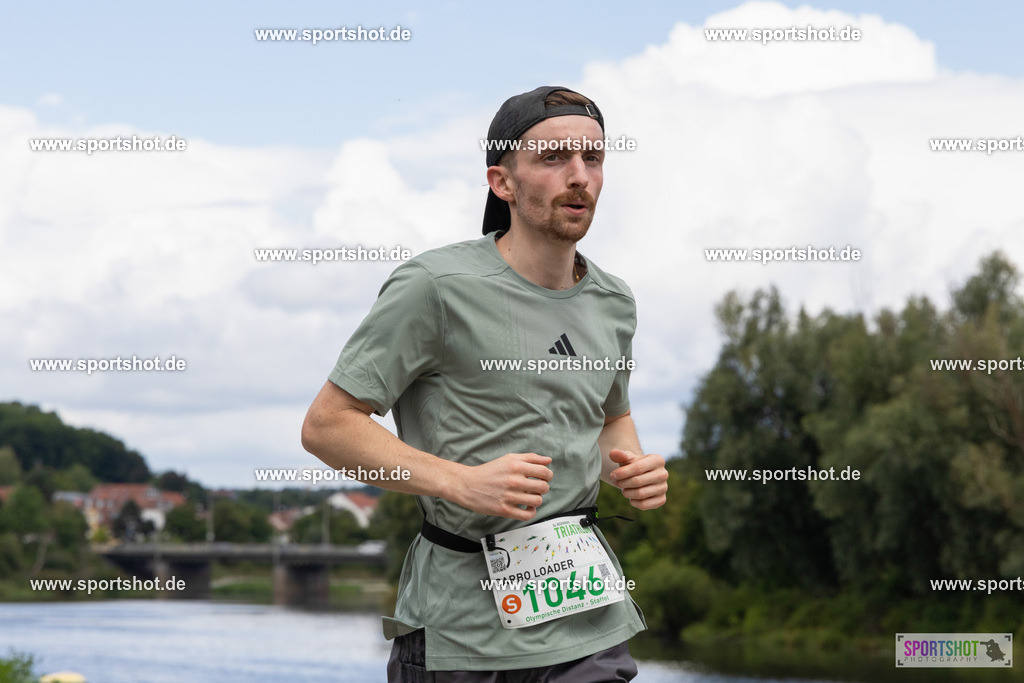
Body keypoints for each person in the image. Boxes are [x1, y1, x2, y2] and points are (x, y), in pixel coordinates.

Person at [301, 85, 668, 681]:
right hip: (461, 630)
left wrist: (632, 465)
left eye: (592, 159)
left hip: (586, 612)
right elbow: (327, 427)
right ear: (502, 181)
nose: (579, 176)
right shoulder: (434, 286)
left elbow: (607, 418)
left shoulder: (614, 301)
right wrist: (460, 482)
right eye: (553, 159)